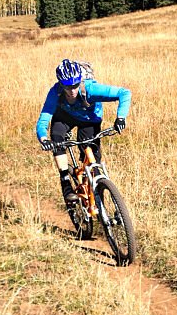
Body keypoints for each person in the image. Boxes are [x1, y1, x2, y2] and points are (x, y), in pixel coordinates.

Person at [36, 59, 131, 207]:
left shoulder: (90, 89)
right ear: (61, 84)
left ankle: (100, 206)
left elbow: (124, 93)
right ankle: (66, 181)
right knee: (57, 137)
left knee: (93, 161)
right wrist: (43, 139)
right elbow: (44, 119)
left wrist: (120, 117)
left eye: (75, 85)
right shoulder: (55, 92)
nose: (72, 90)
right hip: (64, 118)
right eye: (68, 87)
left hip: (89, 120)